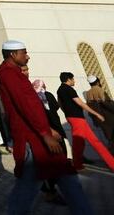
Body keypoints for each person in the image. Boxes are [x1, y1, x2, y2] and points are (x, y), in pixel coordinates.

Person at [0, 40, 93, 214]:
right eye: (24, 53)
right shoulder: (8, 73)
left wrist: (48, 129)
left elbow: (32, 105)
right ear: (13, 55)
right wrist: (44, 133)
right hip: (33, 139)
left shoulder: (14, 72)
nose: (27, 56)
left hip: (39, 134)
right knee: (29, 183)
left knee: (66, 176)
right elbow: (25, 105)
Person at [57, 71, 114, 171]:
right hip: (77, 118)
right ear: (68, 79)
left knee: (80, 142)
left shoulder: (60, 90)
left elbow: (60, 104)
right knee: (90, 142)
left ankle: (77, 164)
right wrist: (96, 114)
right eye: (73, 79)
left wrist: (67, 114)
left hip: (73, 118)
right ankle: (112, 164)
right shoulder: (69, 89)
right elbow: (80, 103)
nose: (74, 81)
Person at [30, 73, 68, 206]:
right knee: (57, 160)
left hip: (45, 134)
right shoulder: (48, 96)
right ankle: (51, 190)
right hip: (53, 132)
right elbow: (56, 107)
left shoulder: (33, 98)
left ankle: (50, 189)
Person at [85, 75, 114, 148]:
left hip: (100, 119)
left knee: (109, 137)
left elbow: (90, 108)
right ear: (97, 82)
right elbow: (106, 103)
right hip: (109, 117)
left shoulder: (88, 94)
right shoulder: (99, 89)